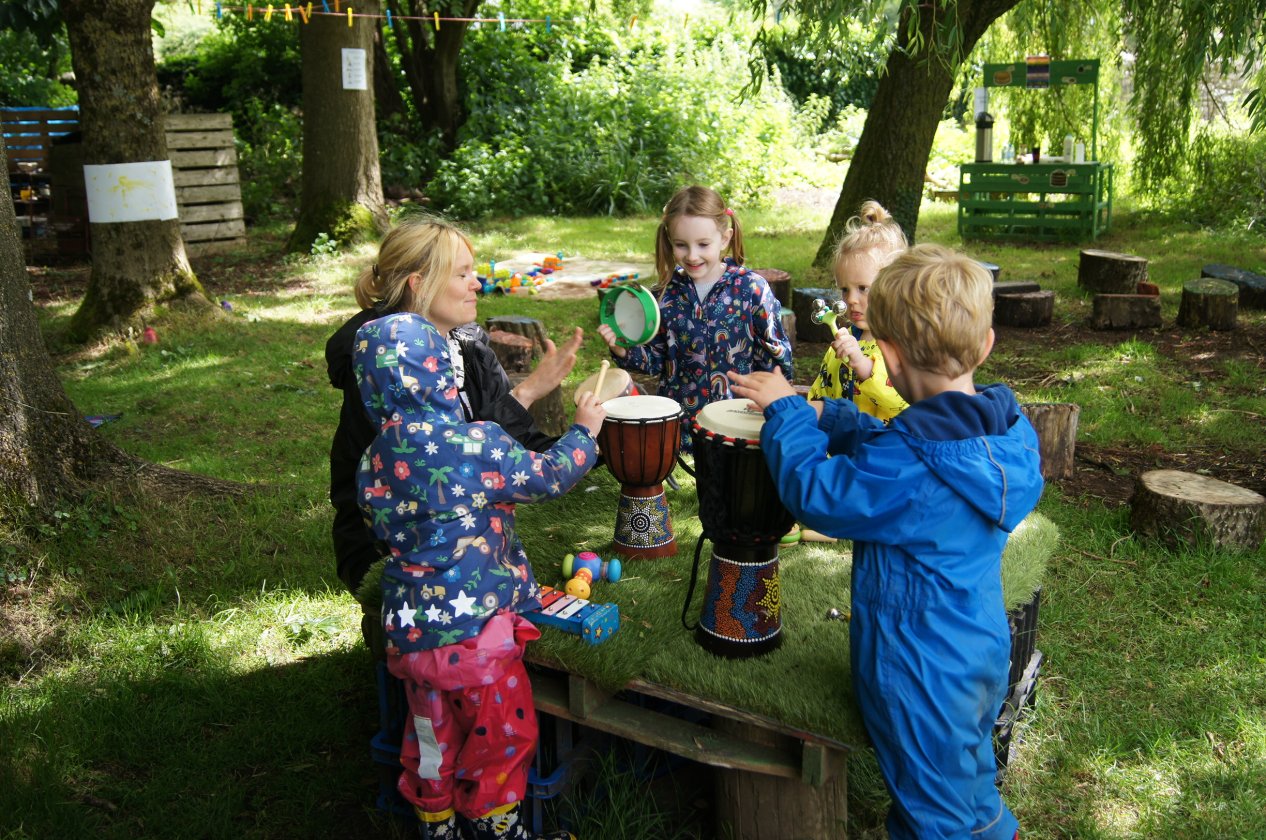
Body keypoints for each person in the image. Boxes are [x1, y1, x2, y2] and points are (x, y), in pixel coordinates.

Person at [728, 243, 1044, 840]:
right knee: (960, 781)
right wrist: (838, 418)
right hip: (976, 651)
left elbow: (819, 492)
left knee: (942, 821)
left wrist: (790, 416)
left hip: (920, 672)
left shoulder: (915, 471)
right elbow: (906, 442)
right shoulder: (1005, 435)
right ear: (984, 346)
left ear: (888, 359)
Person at [356, 311, 605, 840]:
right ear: (442, 375)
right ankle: (498, 830)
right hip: (477, 642)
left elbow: (378, 520)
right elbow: (549, 475)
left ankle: (436, 825)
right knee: (502, 737)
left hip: (412, 639)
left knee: (429, 739)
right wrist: (585, 431)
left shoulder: (374, 458)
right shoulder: (476, 442)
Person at [327, 216, 583, 595]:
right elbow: (434, 470)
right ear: (420, 285)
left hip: (458, 528)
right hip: (392, 545)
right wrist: (528, 395)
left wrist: (596, 434)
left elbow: (513, 446)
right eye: (462, 274)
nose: (477, 284)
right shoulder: (383, 363)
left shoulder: (468, 344)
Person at [596, 185, 792, 449]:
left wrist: (776, 404)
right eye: (681, 245)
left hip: (739, 417)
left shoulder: (751, 288)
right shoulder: (665, 295)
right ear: (669, 241)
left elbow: (775, 353)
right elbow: (656, 361)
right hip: (682, 422)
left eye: (703, 244)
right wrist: (622, 349)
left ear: (725, 239)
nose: (692, 255)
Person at [806, 200, 909, 421]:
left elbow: (901, 403)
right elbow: (822, 391)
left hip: (883, 451)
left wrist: (863, 366)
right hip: (842, 450)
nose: (851, 299)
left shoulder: (905, 343)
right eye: (845, 289)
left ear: (893, 285)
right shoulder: (845, 340)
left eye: (863, 288)